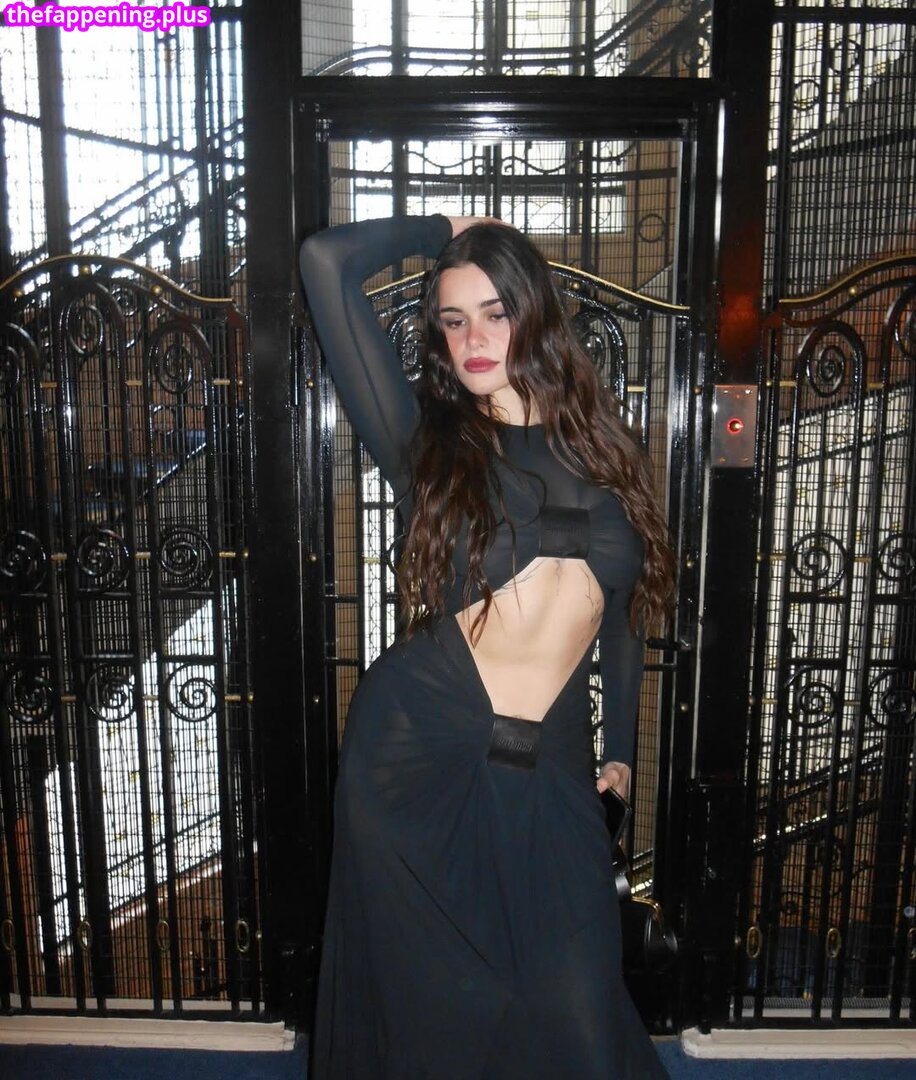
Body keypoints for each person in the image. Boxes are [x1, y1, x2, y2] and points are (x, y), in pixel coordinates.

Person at [299, 213, 674, 1079]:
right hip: (421, 754)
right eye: (453, 319)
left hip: (551, 766)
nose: (472, 339)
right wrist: (441, 228)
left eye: (495, 313)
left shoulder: (609, 449)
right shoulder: (427, 443)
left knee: (579, 1007)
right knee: (442, 1022)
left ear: (535, 312)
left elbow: (623, 615)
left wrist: (620, 753)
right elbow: (324, 262)